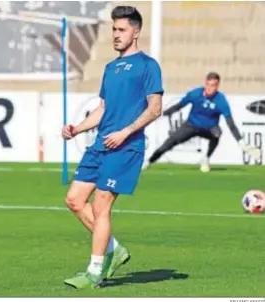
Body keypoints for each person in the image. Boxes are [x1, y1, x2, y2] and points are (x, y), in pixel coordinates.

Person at [61, 6, 164, 289]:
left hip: (126, 147)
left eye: (121, 30)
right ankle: (114, 250)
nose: (116, 35)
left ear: (136, 31)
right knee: (74, 200)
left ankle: (95, 271)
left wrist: (126, 132)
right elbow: (103, 109)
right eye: (114, 30)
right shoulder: (110, 68)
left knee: (101, 203)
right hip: (100, 145)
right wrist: (76, 128)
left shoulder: (148, 66)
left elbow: (155, 109)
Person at [143, 72, 261, 172]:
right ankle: (149, 161)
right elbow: (179, 105)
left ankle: (206, 159)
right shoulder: (195, 93)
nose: (210, 88)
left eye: (214, 85)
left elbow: (231, 123)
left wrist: (241, 142)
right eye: (208, 85)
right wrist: (163, 113)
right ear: (205, 84)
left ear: (218, 86)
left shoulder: (221, 100)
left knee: (217, 133)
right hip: (191, 125)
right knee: (170, 142)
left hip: (209, 128)